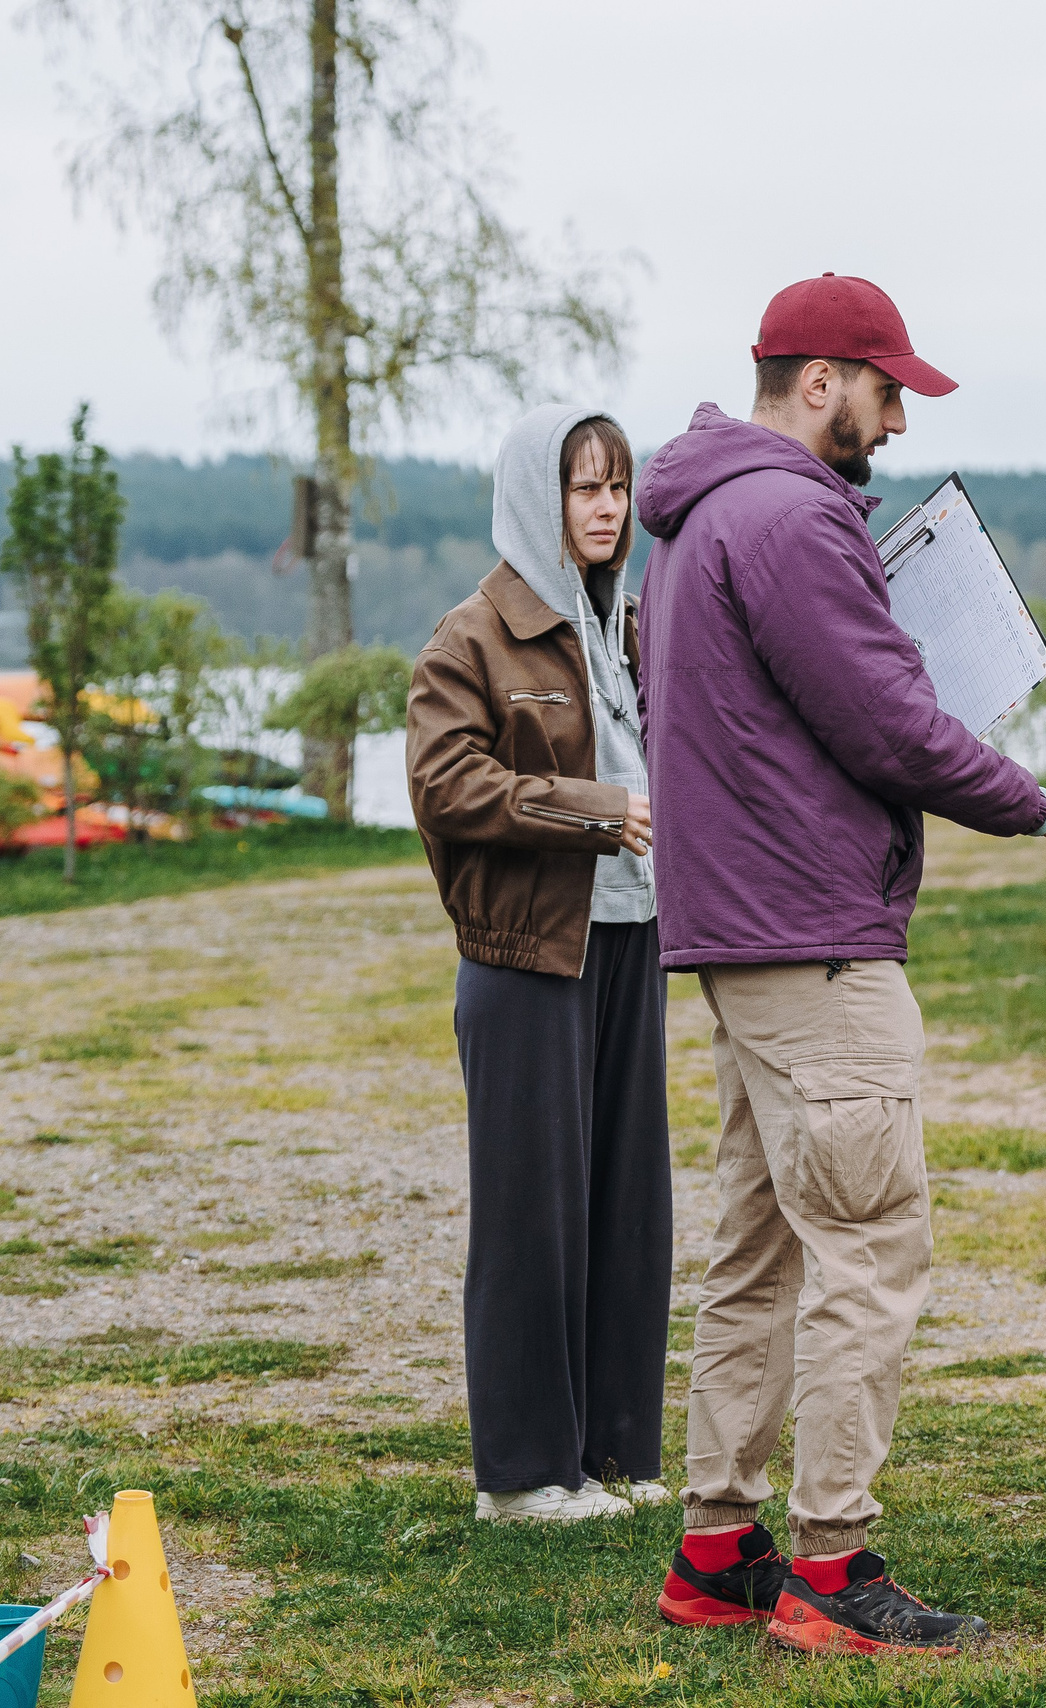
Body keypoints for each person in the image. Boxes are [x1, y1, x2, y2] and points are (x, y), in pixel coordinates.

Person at [636, 274, 1046, 1654]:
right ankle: (832, 1571)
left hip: (746, 936)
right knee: (871, 1246)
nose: (891, 422)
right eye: (885, 392)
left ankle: (716, 1548)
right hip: (815, 939)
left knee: (759, 1247)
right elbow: (886, 722)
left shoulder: (700, 520)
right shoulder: (790, 515)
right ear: (818, 382)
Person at [406, 405, 673, 1523]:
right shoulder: (469, 638)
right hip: (524, 960)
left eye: (617, 487)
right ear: (535, 498)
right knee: (534, 1216)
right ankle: (520, 1477)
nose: (607, 508)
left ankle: (613, 1453)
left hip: (629, 944)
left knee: (627, 1207)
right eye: (582, 488)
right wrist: (595, 811)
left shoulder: (626, 629)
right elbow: (445, 785)